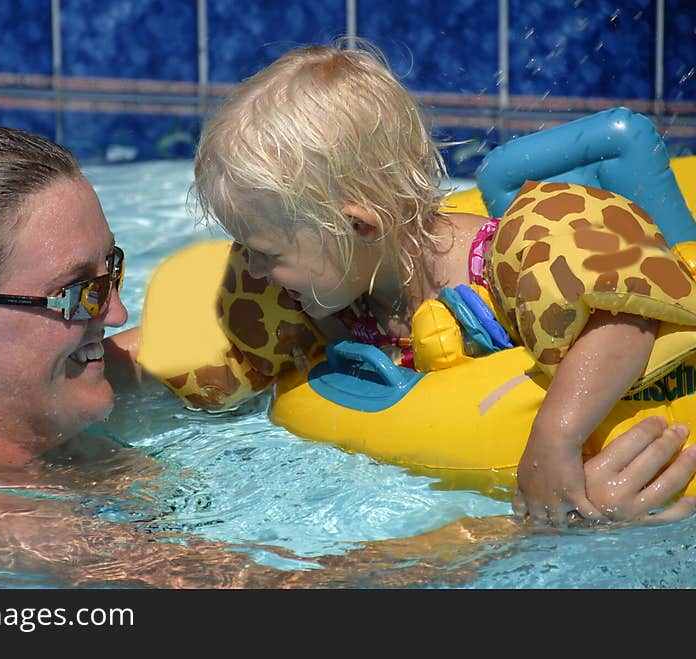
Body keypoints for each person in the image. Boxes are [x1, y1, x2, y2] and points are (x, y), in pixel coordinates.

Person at [0, 122, 694, 591]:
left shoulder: (62, 400)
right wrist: (543, 519)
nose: (119, 310)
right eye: (77, 293)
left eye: (113, 270)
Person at [190, 42, 696, 527]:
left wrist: (555, 439)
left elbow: (626, 317)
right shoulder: (332, 291)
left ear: (357, 227)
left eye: (267, 253)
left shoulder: (510, 264)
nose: (252, 269)